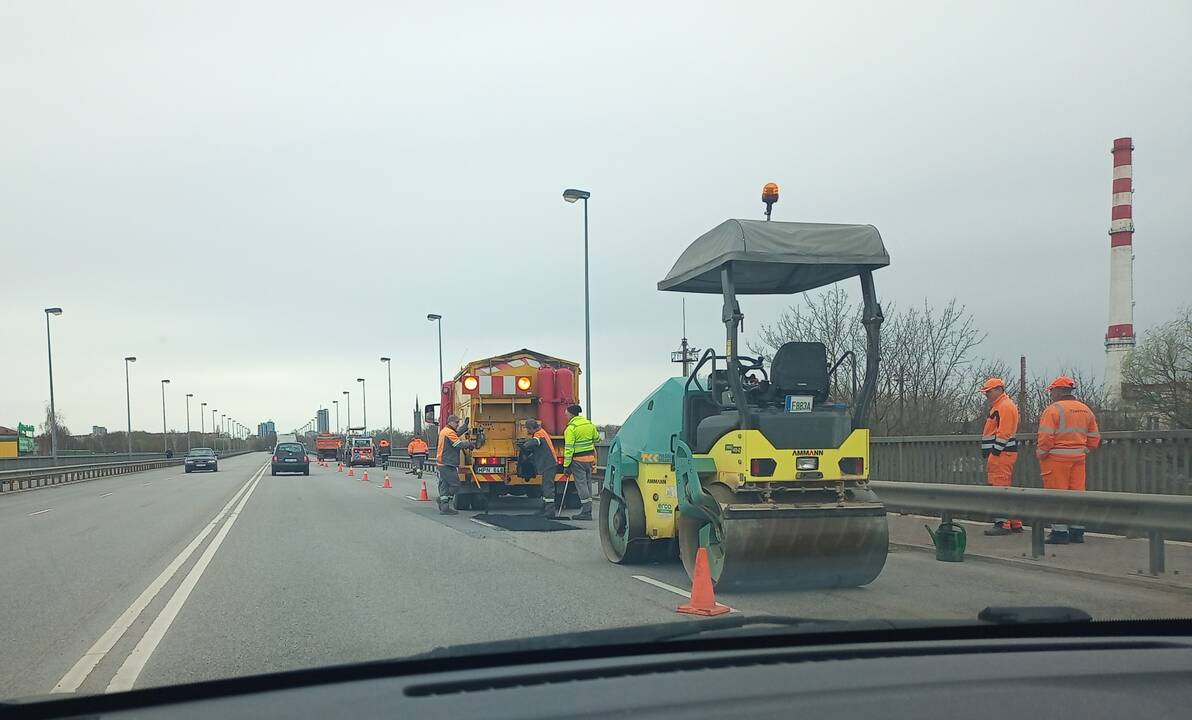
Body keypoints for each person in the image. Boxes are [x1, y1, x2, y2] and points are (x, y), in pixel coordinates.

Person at [1037, 375, 1101, 544]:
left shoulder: (1052, 410)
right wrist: (1084, 449)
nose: (1051, 394)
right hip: (1078, 458)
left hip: (1056, 459)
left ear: (1058, 391)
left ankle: (1059, 533)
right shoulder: (1085, 410)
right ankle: (1077, 531)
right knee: (1076, 496)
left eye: (1051, 391)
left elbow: (1046, 437)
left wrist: (1041, 453)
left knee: (1056, 496)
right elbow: (1094, 438)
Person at [978, 377, 1022, 536]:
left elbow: (1004, 432)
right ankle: (1014, 522)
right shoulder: (1001, 406)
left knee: (999, 488)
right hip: (1001, 452)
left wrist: (994, 451)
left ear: (998, 389)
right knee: (1005, 487)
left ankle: (1003, 523)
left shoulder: (1004, 406)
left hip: (1001, 453)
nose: (986, 395)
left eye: (988, 392)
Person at [562, 404, 599, 520]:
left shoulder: (571, 428)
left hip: (578, 461)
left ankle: (586, 512)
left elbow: (569, 449)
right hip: (590, 459)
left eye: (566, 413)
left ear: (571, 414)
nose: (565, 415)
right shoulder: (589, 424)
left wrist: (566, 466)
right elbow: (597, 438)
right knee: (588, 484)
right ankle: (588, 510)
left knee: (581, 485)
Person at [435, 415, 475, 515]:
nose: (457, 424)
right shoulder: (449, 432)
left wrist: (465, 426)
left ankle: (444, 508)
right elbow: (458, 444)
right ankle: (442, 501)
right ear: (451, 422)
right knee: (455, 485)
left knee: (445, 485)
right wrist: (469, 444)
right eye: (457, 423)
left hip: (442, 463)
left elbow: (456, 434)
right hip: (447, 463)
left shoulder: (446, 431)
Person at [522, 419, 561, 516]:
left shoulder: (539, 434)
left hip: (549, 464)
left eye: (528, 429)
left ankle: (550, 511)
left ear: (531, 428)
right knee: (545, 486)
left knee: (548, 487)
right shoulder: (542, 432)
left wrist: (525, 445)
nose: (527, 431)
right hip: (548, 464)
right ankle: (545, 508)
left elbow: (536, 442)